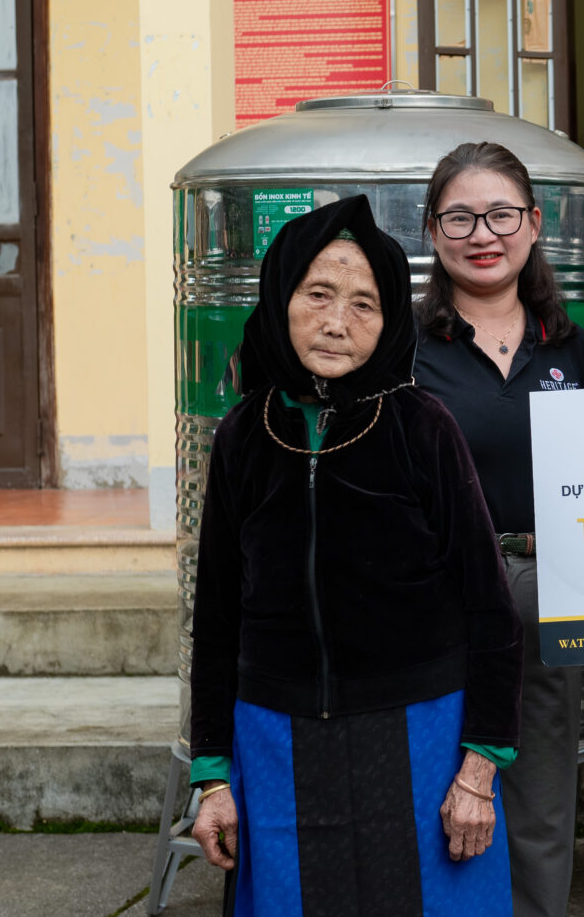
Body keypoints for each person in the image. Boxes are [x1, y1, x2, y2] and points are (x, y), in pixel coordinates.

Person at [188, 194, 521, 916]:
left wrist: (480, 766)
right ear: (281, 295)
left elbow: (490, 608)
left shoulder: (420, 426)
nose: (338, 323)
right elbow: (215, 613)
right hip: (276, 734)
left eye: (365, 304)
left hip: (422, 731)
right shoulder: (245, 435)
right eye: (318, 295)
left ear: (391, 317)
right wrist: (213, 775)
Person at [412, 142, 584, 917]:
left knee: (540, 804)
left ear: (534, 223)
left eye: (501, 214)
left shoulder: (575, 348)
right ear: (431, 230)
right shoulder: (405, 350)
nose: (482, 233)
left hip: (548, 590)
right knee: (433, 793)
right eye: (460, 216)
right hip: (434, 595)